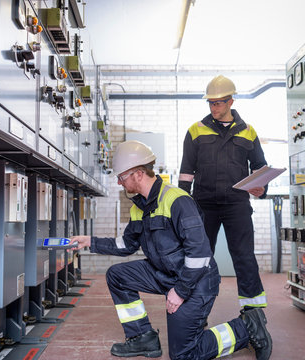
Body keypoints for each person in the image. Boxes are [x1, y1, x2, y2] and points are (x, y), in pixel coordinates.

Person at [70, 140, 272, 360]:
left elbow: (200, 254)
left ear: (138, 174)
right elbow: (126, 245)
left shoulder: (177, 200)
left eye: (121, 176)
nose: (119, 182)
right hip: (165, 273)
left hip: (196, 282)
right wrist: (89, 241)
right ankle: (142, 338)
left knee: (184, 355)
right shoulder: (141, 206)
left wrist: (181, 291)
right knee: (117, 276)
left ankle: (245, 328)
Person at [179, 75, 269, 312]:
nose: (213, 107)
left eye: (218, 103)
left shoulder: (248, 132)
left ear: (231, 102)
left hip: (236, 205)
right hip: (204, 205)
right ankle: (196, 312)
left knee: (245, 258)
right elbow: (186, 171)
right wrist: (181, 205)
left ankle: (254, 314)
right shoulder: (196, 131)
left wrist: (262, 187)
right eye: (210, 103)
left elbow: (260, 166)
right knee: (198, 260)